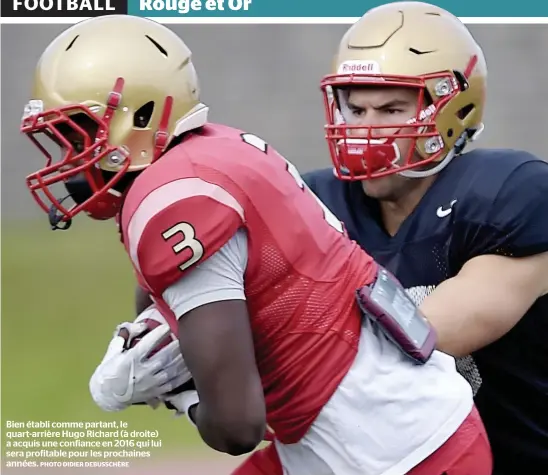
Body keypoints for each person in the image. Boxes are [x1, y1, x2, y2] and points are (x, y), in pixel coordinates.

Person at [21, 13, 493, 475]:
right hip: (388, 421)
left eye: (75, 134)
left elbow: (235, 426)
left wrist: (172, 394)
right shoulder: (213, 151)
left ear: (139, 116)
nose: (68, 159)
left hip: (399, 454)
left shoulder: (177, 201)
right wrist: (140, 350)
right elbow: (180, 309)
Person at [300, 2, 548, 474]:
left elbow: (420, 340)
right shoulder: (313, 204)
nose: (366, 130)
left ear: (454, 108)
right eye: (356, 108)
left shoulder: (509, 194)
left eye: (392, 108)